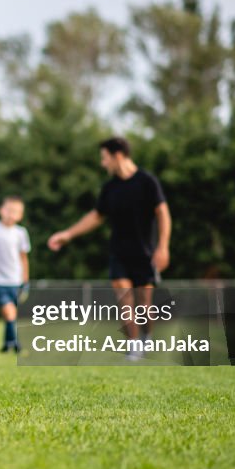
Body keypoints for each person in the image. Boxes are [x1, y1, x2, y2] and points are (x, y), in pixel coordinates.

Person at [47, 137, 171, 357]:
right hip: (119, 253)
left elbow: (163, 213)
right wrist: (68, 234)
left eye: (105, 158)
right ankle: (133, 347)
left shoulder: (147, 182)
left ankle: (147, 336)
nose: (102, 163)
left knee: (144, 304)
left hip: (145, 253)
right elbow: (96, 216)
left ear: (118, 155)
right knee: (124, 298)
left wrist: (163, 247)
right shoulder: (110, 188)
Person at [0, 196, 31, 353]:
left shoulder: (21, 233)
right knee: (9, 312)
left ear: (21, 215)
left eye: (16, 212)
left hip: (16, 280)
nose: (11, 214)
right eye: (9, 210)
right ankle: (16, 343)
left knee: (11, 314)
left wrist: (25, 280)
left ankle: (6, 344)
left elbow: (23, 258)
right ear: (1, 210)